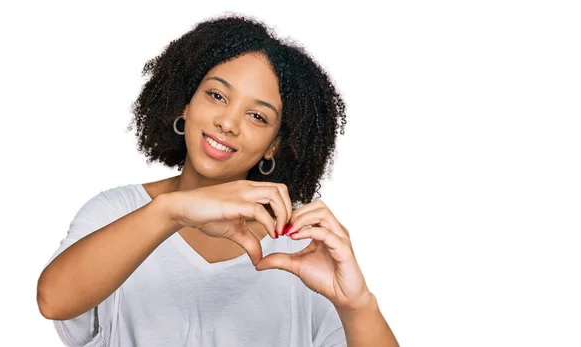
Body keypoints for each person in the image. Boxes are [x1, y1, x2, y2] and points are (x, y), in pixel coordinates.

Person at [36, 14, 399, 347]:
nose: (228, 123)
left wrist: (357, 305)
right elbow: (53, 301)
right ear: (185, 104)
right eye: (216, 95)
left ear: (274, 145)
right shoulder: (119, 212)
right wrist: (171, 212)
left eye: (257, 116)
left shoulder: (303, 246)